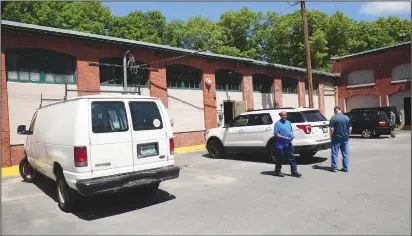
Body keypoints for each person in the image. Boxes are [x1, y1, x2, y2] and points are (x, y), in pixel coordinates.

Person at [273, 111, 302, 178]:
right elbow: (276, 134)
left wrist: (291, 135)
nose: (284, 117)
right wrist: (284, 137)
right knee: (279, 159)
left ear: (287, 115)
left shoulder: (288, 122)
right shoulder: (277, 124)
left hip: (288, 144)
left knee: (292, 158)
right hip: (280, 145)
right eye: (282, 115)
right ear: (280, 116)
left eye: (285, 115)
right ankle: (277, 171)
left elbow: (290, 131)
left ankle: (294, 171)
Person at [329, 106, 352, 172]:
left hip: (336, 138)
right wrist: (348, 135)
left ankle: (334, 167)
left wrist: (331, 136)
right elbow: (350, 128)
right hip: (345, 138)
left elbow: (331, 129)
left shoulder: (333, 118)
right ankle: (345, 168)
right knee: (345, 153)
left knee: (334, 153)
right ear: (340, 110)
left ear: (335, 111)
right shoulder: (347, 117)